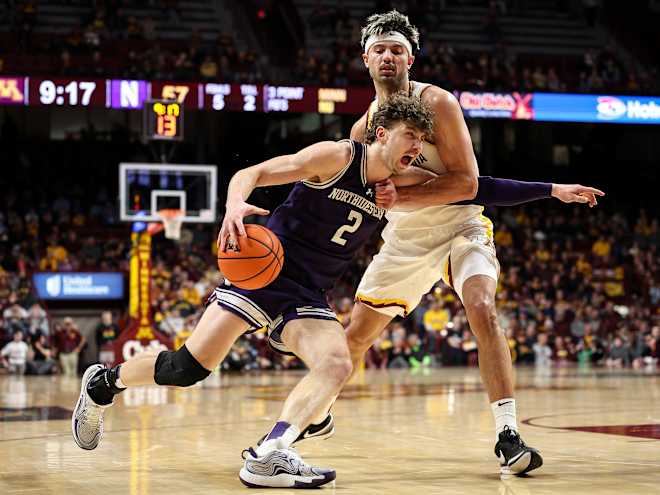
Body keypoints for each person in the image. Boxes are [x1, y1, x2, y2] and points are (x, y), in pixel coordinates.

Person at [272, 10, 604, 477]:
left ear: (412, 57)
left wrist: (403, 194)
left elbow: (468, 183)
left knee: (482, 306)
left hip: (459, 225)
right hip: (405, 239)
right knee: (354, 339)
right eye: (380, 49)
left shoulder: (437, 104)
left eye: (397, 49)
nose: (389, 57)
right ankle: (317, 414)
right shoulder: (359, 133)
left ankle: (507, 433)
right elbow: (356, 206)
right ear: (366, 58)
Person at [71, 93, 434, 489]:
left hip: (306, 294)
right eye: (411, 135)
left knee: (338, 363)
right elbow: (253, 174)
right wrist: (233, 207)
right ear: (382, 133)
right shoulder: (337, 157)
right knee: (186, 369)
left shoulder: (398, 185)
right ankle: (103, 383)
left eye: (422, 139)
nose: (417, 147)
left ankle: (270, 453)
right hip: (262, 275)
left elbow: (473, 186)